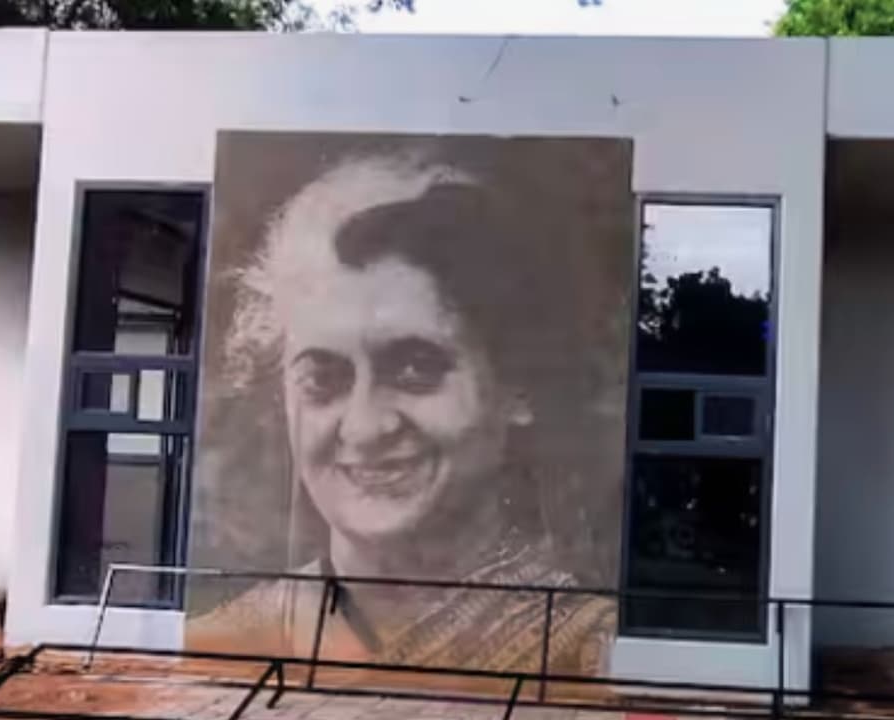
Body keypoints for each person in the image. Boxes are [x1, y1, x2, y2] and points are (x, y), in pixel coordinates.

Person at [188, 153, 617, 677]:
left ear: (516, 386)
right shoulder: (220, 646)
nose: (365, 427)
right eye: (322, 379)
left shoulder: (588, 658)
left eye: (416, 369)